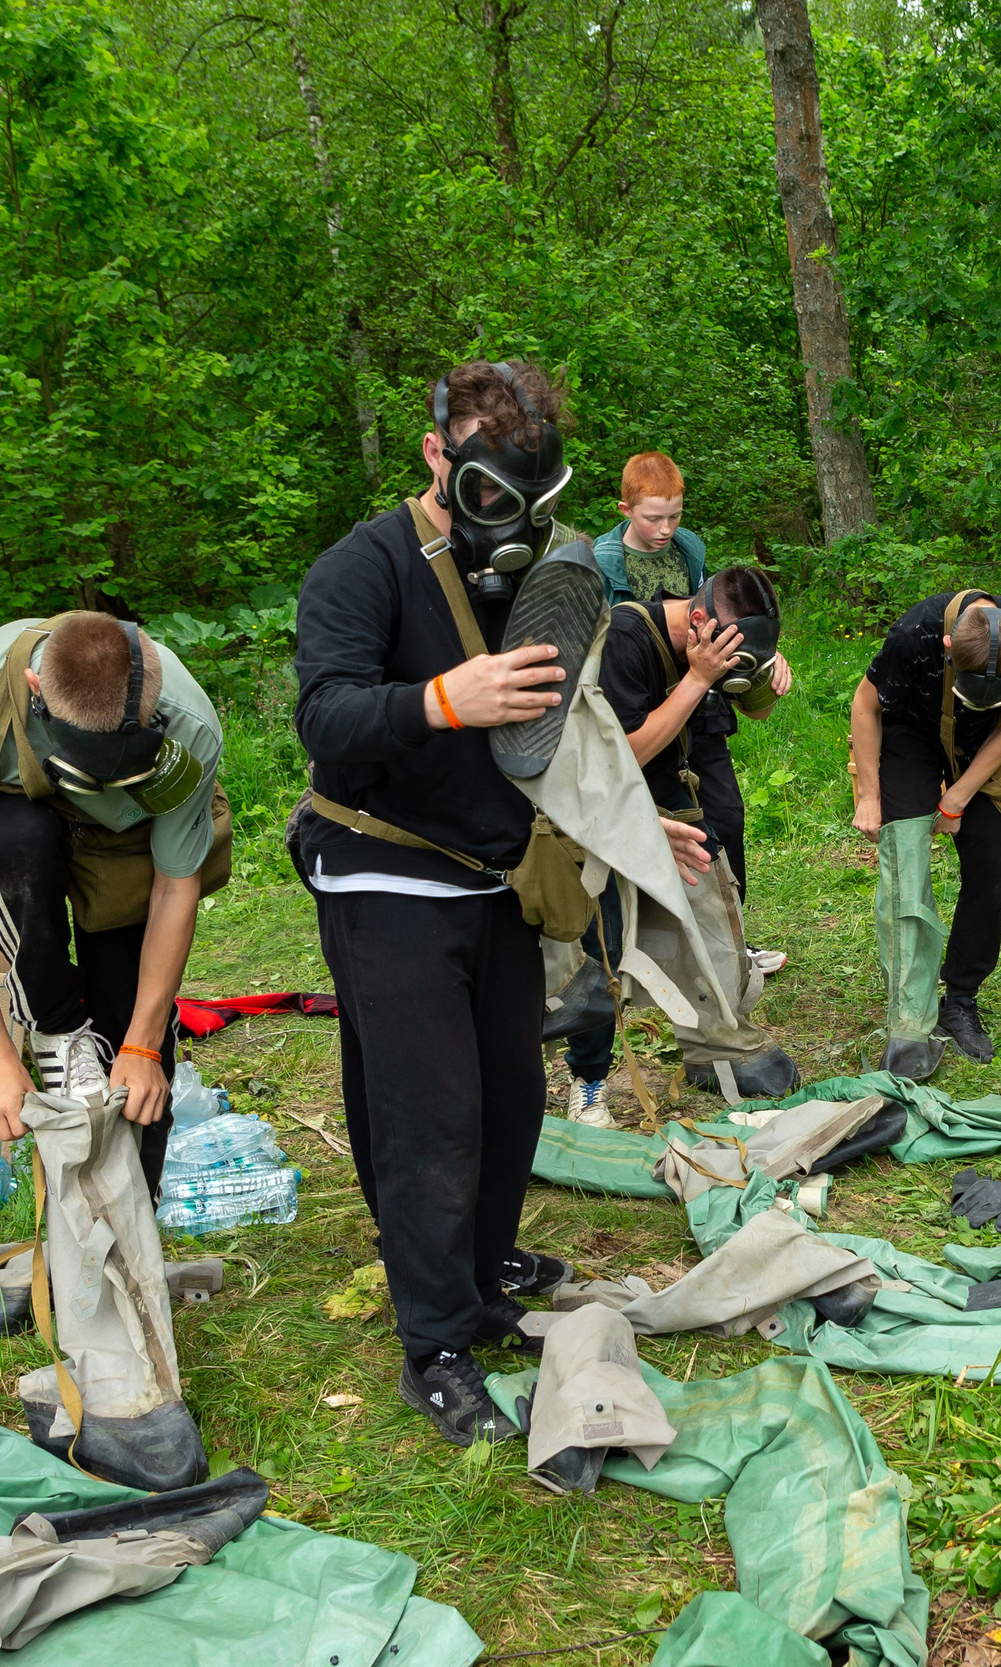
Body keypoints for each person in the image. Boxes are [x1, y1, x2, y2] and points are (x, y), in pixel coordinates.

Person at [292, 358, 710, 1447]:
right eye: (490, 497)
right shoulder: (363, 568)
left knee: (509, 1101)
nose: (513, 524)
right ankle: (431, 1344)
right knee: (430, 1115)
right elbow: (326, 719)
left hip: (495, 877)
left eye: (537, 500)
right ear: (438, 456)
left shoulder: (523, 579)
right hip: (384, 872)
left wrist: (620, 818)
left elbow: (551, 738)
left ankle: (477, 1285)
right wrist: (438, 700)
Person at [0, 610, 226, 1196]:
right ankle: (56, 1028)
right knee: (17, 841)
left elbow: (175, 886)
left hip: (127, 840)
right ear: (36, 692)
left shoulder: (190, 726)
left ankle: (135, 1225)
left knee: (136, 1049)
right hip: (22, 824)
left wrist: (140, 1043)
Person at [559, 563, 795, 1125]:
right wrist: (696, 678)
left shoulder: (714, 640)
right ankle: (587, 1082)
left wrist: (763, 677)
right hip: (602, 812)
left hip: (673, 803)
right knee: (606, 947)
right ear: (698, 620)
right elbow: (625, 758)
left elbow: (752, 707)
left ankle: (713, 1050)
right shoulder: (622, 639)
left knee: (718, 917)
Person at [593, 452, 792, 969]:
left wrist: (763, 653)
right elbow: (623, 750)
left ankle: (727, 945)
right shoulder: (604, 569)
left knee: (724, 817)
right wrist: (701, 673)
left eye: (674, 517)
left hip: (698, 688)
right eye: (653, 517)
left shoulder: (689, 550)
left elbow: (720, 601)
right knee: (657, 824)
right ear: (625, 509)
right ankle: (628, 952)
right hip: (639, 690)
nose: (665, 529)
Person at [852, 589, 1001, 1073]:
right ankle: (909, 1015)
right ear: (946, 644)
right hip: (916, 729)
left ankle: (960, 999)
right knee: (904, 856)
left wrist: (958, 796)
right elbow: (866, 704)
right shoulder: (914, 634)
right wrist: (869, 795)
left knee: (988, 865)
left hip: (990, 740)